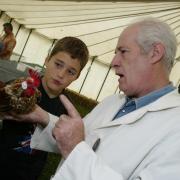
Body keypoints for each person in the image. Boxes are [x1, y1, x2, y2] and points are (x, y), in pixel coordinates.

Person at [4, 17, 180, 180]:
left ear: (155, 53)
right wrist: (42, 117)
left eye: (123, 51)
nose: (114, 62)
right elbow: (75, 137)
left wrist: (76, 151)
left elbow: (75, 146)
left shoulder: (175, 128)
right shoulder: (112, 102)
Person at [0, 36, 89, 180]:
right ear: (47, 60)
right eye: (58, 64)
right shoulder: (21, 87)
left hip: (30, 172)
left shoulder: (67, 109)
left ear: (77, 77)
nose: (61, 74)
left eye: (70, 72)